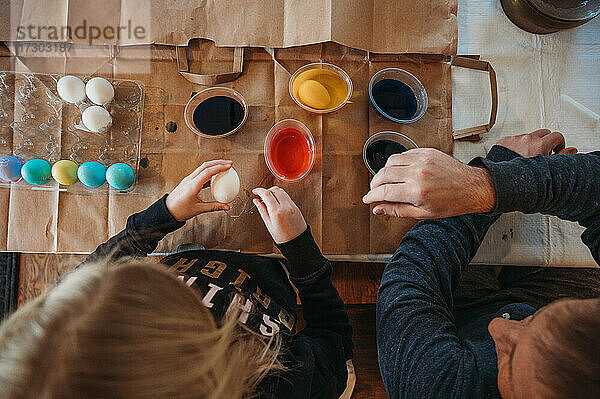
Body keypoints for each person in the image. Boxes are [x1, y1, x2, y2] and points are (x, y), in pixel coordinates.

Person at [0, 160, 353, 399]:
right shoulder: (277, 382)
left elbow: (106, 263)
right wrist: (301, 252)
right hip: (275, 294)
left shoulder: (69, 317)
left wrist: (165, 214)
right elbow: (333, 334)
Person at [362, 129, 600, 398]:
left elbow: (410, 279)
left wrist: (498, 171)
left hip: (457, 329)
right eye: (532, 321)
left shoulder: (435, 390)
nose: (499, 326)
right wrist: (487, 186)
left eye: (509, 366)